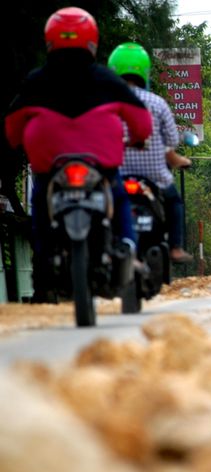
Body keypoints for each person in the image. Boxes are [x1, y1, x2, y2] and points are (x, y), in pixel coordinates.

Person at [4, 7, 152, 302]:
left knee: (41, 207)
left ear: (49, 42)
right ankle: (128, 249)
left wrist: (18, 142)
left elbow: (11, 127)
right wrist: (137, 138)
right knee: (119, 196)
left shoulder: (36, 80)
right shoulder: (107, 79)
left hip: (50, 168)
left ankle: (44, 265)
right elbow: (141, 121)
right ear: (92, 42)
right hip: (101, 166)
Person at [107, 42, 193, 264]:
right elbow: (172, 140)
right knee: (174, 202)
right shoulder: (157, 103)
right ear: (145, 72)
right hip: (155, 175)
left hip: (117, 174)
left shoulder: (107, 104)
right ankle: (175, 247)